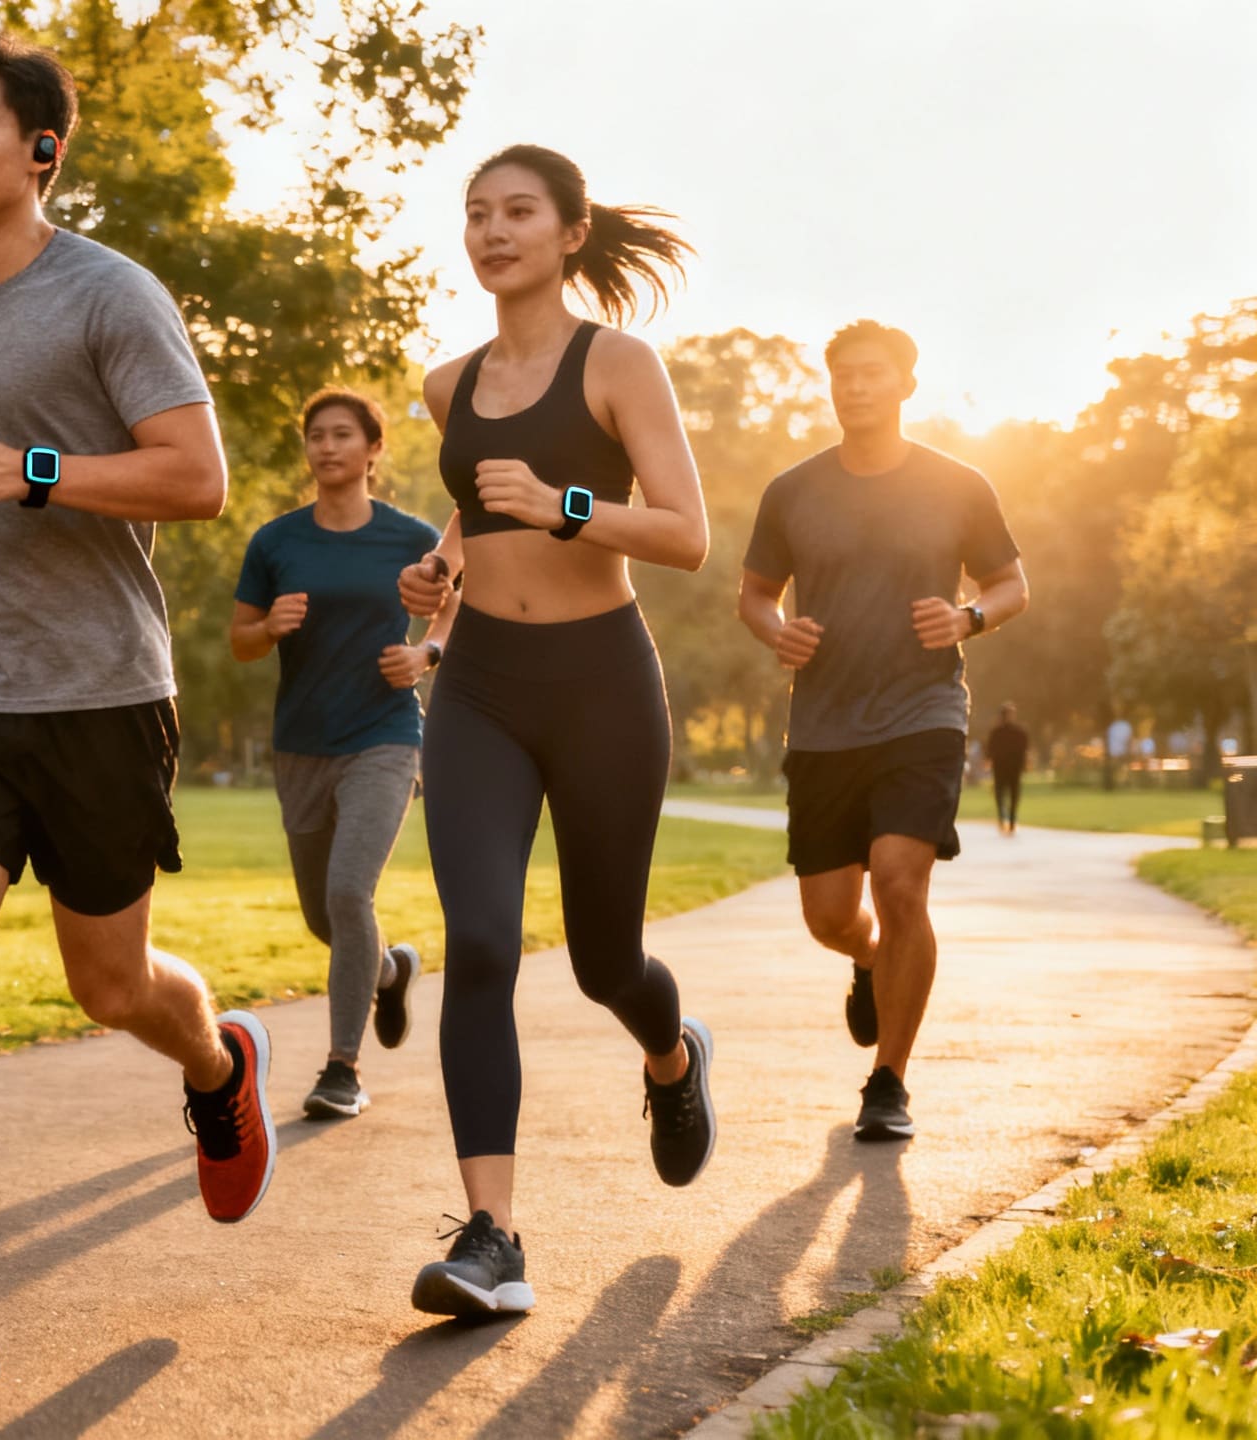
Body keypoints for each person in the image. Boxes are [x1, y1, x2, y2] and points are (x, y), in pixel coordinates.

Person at [0, 30, 273, 1393]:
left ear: (40, 149)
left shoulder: (108, 295)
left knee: (109, 980)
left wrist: (28, 472)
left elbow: (195, 478)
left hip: (101, 691)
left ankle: (215, 1059)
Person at [394, 144, 718, 1318]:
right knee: (479, 943)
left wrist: (569, 507)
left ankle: (673, 1055)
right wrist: (441, 563)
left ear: (569, 233)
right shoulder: (446, 383)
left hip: (599, 682)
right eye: (475, 213)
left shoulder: (618, 364)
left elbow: (687, 534)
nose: (492, 231)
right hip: (479, 686)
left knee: (601, 960)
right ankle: (492, 1238)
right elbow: (475, 503)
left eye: (517, 212)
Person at [739, 320, 1028, 1143]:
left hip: (921, 711)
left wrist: (970, 616)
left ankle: (888, 1081)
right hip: (824, 725)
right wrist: (774, 631)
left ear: (905, 384)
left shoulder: (957, 483)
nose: (856, 387)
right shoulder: (791, 491)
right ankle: (868, 961)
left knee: (902, 882)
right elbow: (755, 594)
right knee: (830, 915)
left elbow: (1011, 583)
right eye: (844, 375)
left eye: (873, 374)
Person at [231, 387, 448, 1119]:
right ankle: (388, 971)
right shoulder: (277, 542)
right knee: (325, 918)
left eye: (343, 435)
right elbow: (239, 641)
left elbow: (461, 602)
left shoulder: (411, 538)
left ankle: (341, 1069)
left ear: (373, 449)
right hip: (302, 744)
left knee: (351, 893)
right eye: (316, 435)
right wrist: (271, 627)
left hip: (385, 737)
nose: (327, 447)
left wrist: (426, 657)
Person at [986, 703, 1029, 835]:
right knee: (1010, 795)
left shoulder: (996, 733)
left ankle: (1007, 819)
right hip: (1010, 768)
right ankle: (1007, 819)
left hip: (1004, 768)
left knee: (1003, 794)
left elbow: (989, 751)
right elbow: (1025, 751)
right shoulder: (1019, 732)